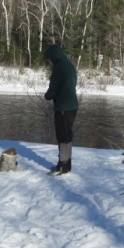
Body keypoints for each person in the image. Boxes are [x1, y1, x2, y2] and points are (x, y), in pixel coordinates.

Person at [43, 43, 78, 175]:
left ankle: (62, 166)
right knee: (68, 134)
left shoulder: (58, 67)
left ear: (53, 57)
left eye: (48, 60)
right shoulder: (69, 65)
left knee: (62, 136)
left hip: (63, 106)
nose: (49, 62)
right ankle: (66, 164)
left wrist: (48, 96)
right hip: (73, 106)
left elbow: (53, 89)